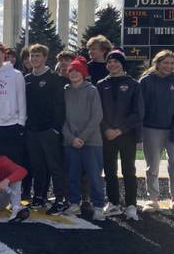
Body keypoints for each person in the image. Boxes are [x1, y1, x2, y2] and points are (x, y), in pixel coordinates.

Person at [98, 49, 144, 221]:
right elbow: (97, 111)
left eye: (116, 61)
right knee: (109, 170)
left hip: (126, 135)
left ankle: (131, 205)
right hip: (107, 134)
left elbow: (138, 112)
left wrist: (120, 129)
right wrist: (106, 129)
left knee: (128, 170)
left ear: (122, 64)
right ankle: (113, 203)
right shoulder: (102, 84)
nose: (112, 64)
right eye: (109, 61)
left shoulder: (133, 84)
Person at [24, 44, 67, 211]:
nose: (34, 59)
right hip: (32, 130)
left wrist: (56, 128)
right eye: (32, 56)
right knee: (38, 166)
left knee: (54, 166)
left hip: (49, 130)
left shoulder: (54, 78)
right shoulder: (26, 79)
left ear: (45, 57)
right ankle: (39, 196)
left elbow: (60, 106)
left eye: (37, 56)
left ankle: (60, 199)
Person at [61, 57, 105, 218]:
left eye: (77, 70)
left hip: (92, 140)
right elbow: (62, 118)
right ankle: (74, 203)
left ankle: (99, 206)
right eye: (71, 71)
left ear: (83, 73)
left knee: (94, 175)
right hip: (70, 141)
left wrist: (83, 137)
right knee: (72, 174)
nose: (73, 73)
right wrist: (71, 138)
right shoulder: (65, 91)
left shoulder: (92, 90)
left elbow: (97, 115)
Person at [139, 49, 174, 213]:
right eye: (165, 62)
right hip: (151, 129)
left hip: (172, 128)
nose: (169, 66)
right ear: (158, 63)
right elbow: (140, 107)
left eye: (172, 63)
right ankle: (153, 200)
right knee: (152, 166)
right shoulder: (146, 81)